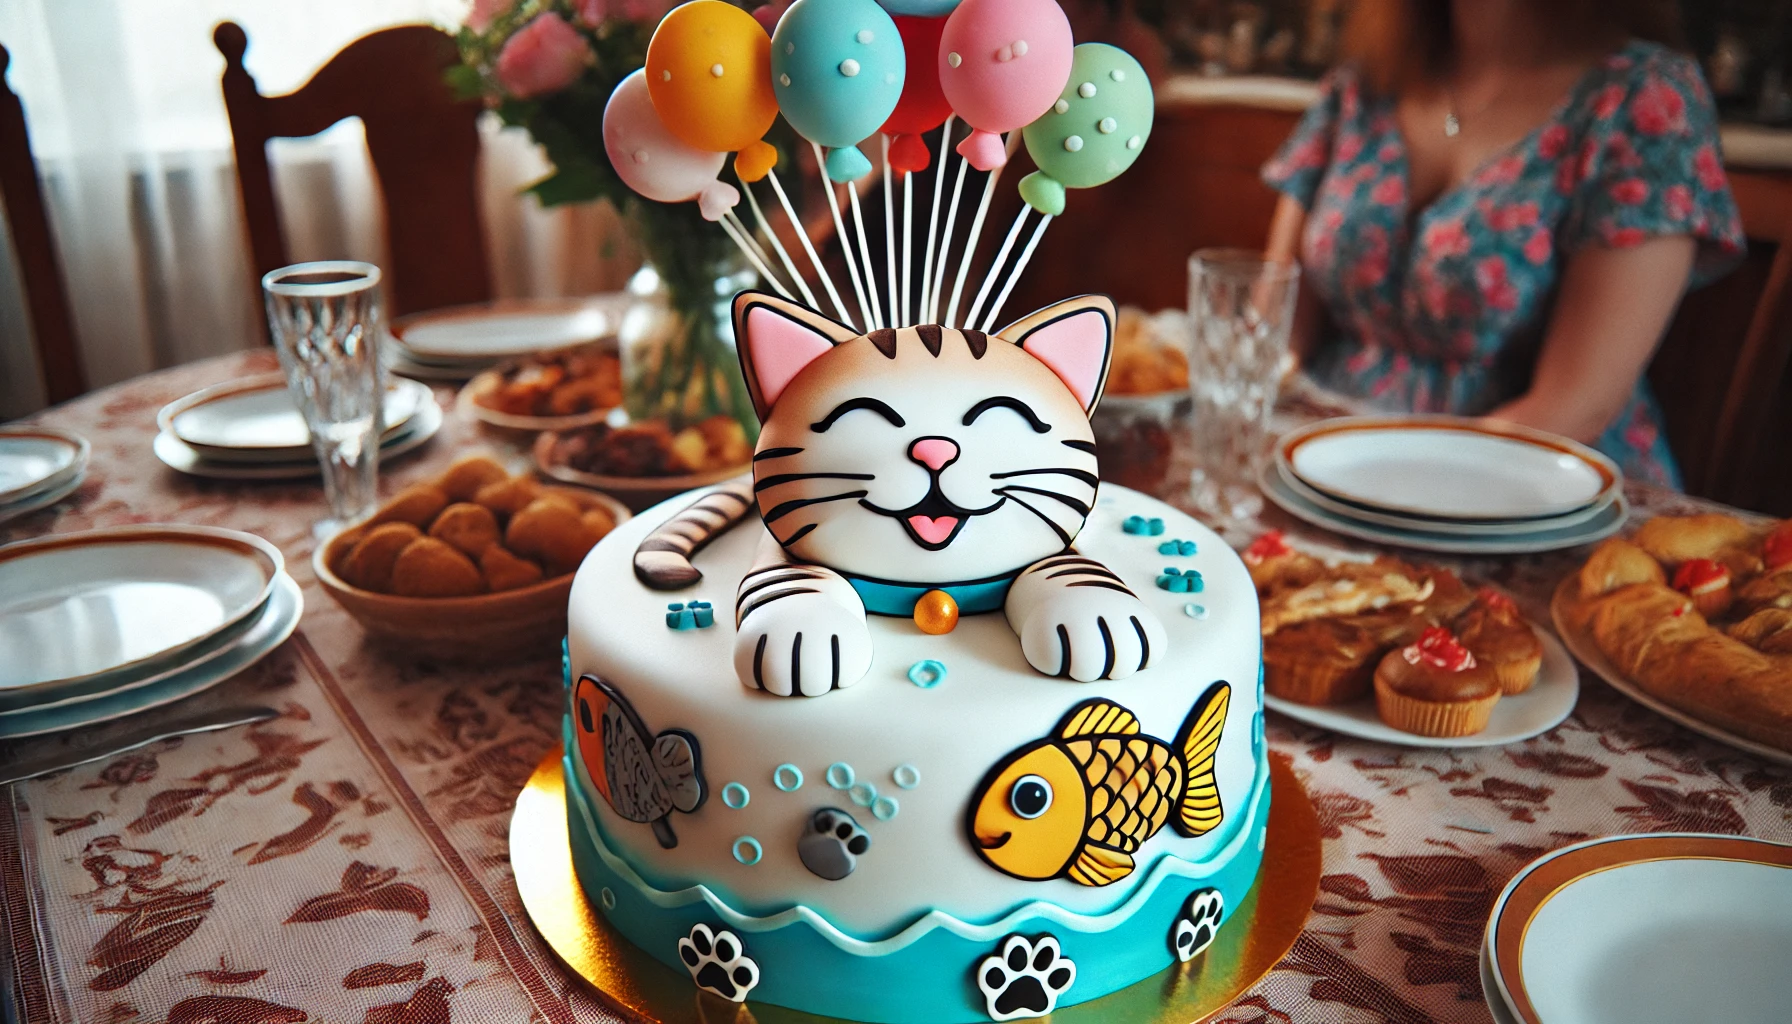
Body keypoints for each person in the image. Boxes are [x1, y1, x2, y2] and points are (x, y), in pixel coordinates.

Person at [1262, 0, 1744, 487]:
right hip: (1325, 463)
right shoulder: (1363, 82)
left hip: (1531, 487)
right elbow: (1273, 326)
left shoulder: (1646, 97)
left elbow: (1578, 404)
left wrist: (1380, 484)